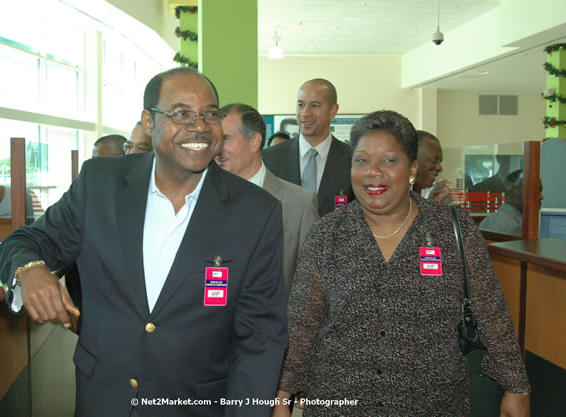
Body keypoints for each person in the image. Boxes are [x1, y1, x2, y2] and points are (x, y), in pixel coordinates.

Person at [0, 67, 287, 417]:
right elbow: (27, 241)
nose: (199, 126)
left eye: (210, 114)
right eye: (181, 113)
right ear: (148, 121)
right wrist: (30, 270)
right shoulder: (99, 184)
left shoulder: (255, 212)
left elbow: (260, 336)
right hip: (103, 399)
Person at [272, 110, 530, 417]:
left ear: (412, 169)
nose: (373, 172)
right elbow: (303, 323)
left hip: (432, 404)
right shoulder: (328, 233)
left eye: (389, 160)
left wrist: (517, 387)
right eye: (362, 160)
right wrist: (282, 396)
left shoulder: (451, 228)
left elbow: (492, 311)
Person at [217, 103, 319, 293]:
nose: (217, 148)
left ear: (255, 141)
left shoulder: (300, 204)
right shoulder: (200, 200)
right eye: (214, 140)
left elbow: (311, 285)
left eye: (225, 139)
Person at [263, 78, 354, 217]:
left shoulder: (351, 159)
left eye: (315, 105)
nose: (305, 113)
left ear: (333, 111)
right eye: (301, 105)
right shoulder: (269, 158)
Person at [479, 169, 540, 236]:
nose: (541, 196)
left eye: (540, 191)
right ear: (512, 192)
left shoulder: (487, 221)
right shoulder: (517, 226)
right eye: (535, 191)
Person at [414, 130, 451, 202]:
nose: (440, 168)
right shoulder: (394, 193)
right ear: (413, 161)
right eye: (434, 161)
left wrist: (434, 202)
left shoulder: (440, 194)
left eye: (440, 161)